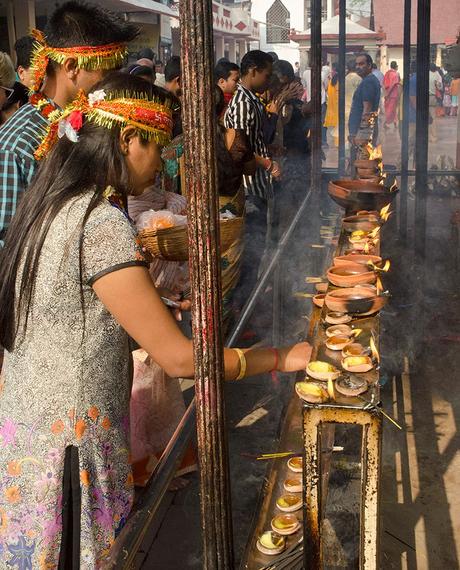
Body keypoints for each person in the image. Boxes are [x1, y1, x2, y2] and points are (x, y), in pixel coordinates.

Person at [0, 71, 312, 567]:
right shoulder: (100, 220)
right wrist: (281, 356)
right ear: (127, 139)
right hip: (72, 449)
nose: (165, 162)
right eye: (160, 148)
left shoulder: (48, 202)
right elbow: (178, 358)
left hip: (28, 434)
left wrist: (161, 306)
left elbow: (71, 312)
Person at [0, 1, 139, 246]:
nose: (113, 86)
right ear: (72, 67)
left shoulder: (91, 124)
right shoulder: (19, 143)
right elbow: (7, 240)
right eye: (107, 75)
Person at [224, 50, 279, 303]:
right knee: (249, 255)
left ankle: (246, 307)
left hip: (257, 186)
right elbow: (240, 148)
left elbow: (254, 142)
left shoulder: (252, 99)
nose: (269, 79)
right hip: (248, 189)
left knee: (256, 252)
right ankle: (241, 313)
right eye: (266, 74)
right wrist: (267, 163)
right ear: (253, 71)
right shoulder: (243, 103)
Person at [349, 53, 381, 153]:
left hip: (363, 131)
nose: (358, 67)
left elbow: (367, 109)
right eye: (357, 64)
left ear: (370, 65)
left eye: (361, 64)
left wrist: (360, 133)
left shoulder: (369, 82)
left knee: (362, 163)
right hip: (364, 129)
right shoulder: (368, 80)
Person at [324, 62, 339, 147]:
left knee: (336, 125)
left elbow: (329, 92)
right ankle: (339, 143)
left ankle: (337, 143)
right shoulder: (342, 79)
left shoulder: (332, 80)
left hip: (333, 105)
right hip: (341, 104)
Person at [345, 60, 361, 136]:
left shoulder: (345, 78)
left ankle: (346, 146)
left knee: (346, 129)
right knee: (355, 129)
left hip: (345, 106)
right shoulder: (358, 79)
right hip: (355, 107)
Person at [383, 61, 401, 128]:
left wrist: (386, 93)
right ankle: (385, 122)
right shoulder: (395, 74)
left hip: (388, 93)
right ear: (396, 66)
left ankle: (395, 122)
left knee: (391, 109)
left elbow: (384, 84)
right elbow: (393, 85)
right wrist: (388, 94)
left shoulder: (387, 73)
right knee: (391, 109)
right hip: (393, 94)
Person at [429, 62, 442, 141]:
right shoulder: (437, 75)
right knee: (432, 118)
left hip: (422, 98)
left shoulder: (425, 74)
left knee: (422, 117)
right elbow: (440, 87)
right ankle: (433, 137)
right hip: (432, 98)